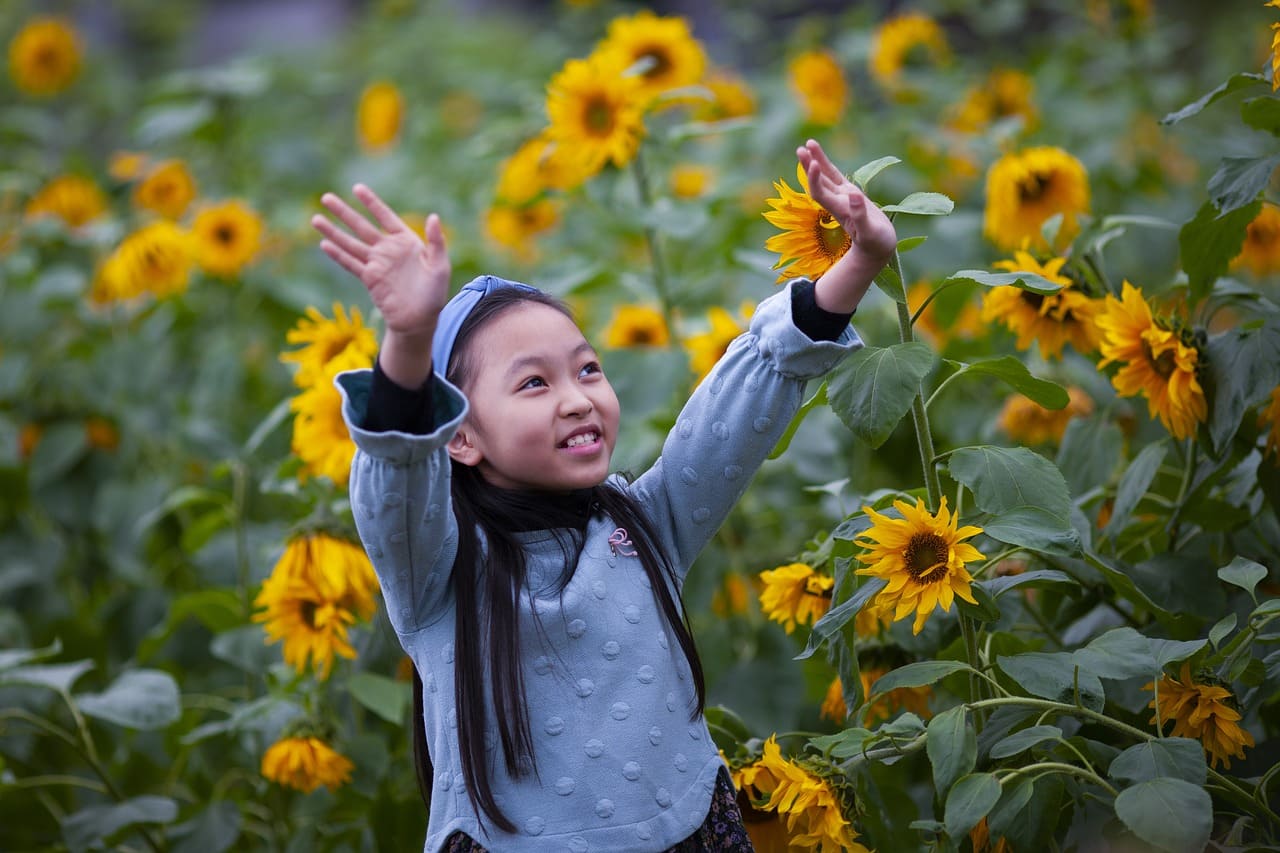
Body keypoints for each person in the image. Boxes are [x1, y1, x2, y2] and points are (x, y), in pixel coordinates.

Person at [311, 139, 897, 853]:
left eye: (587, 368)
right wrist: (407, 342)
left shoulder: (644, 523)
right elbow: (397, 479)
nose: (577, 399)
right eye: (534, 382)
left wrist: (859, 262)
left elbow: (734, 415)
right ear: (457, 435)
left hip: (691, 829)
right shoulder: (439, 571)